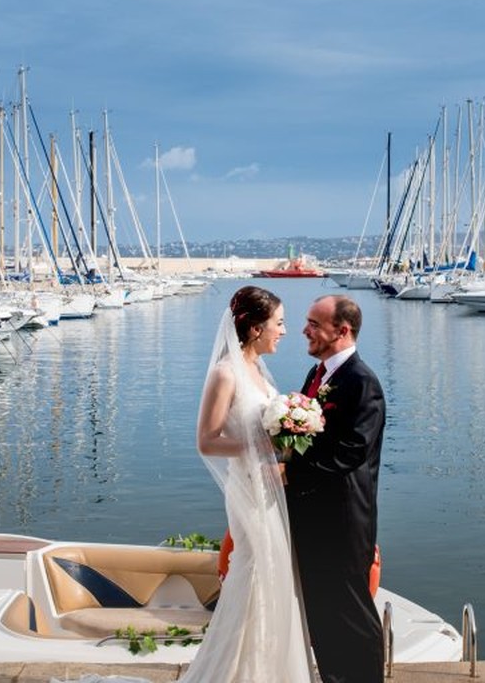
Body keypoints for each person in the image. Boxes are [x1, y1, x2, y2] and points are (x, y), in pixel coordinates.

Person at [179, 284, 315, 682]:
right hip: (247, 492)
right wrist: (263, 443)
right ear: (255, 328)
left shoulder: (257, 370)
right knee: (253, 568)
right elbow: (206, 440)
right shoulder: (226, 373)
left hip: (270, 492)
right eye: (279, 323)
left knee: (274, 572)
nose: (284, 331)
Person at [285, 294, 386, 683]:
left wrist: (291, 474)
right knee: (322, 608)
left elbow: (352, 452)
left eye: (313, 323)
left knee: (351, 609)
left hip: (344, 518)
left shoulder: (362, 382)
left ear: (341, 331)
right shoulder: (317, 376)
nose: (304, 330)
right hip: (314, 514)